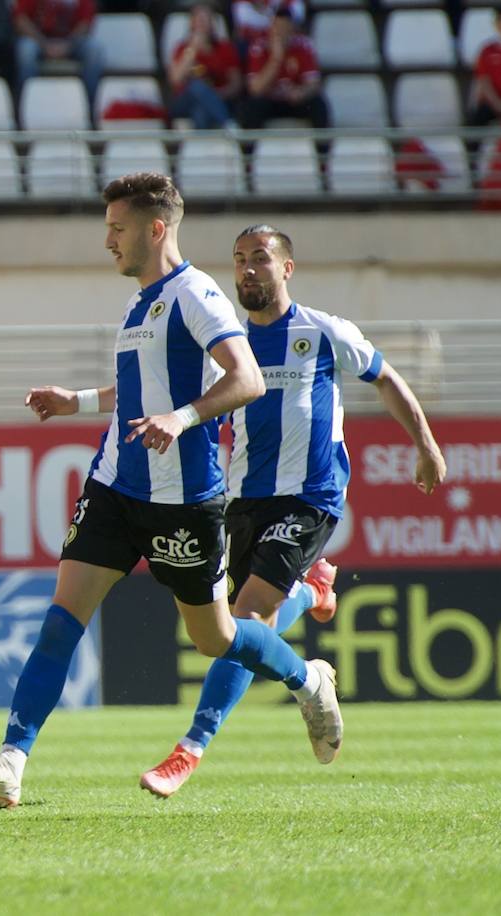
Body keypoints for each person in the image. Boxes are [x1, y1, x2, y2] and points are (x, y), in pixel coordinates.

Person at [0, 172, 341, 809]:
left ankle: (306, 678)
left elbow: (247, 380)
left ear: (156, 229)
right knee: (60, 622)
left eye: (117, 228)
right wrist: (73, 400)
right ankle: (11, 761)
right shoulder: (141, 302)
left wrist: (182, 420)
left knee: (215, 638)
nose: (108, 241)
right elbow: (138, 391)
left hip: (182, 501)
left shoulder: (196, 294)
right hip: (113, 486)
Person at [143, 225, 448, 797]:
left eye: (260, 258)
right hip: (242, 501)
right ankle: (312, 595)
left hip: (311, 495)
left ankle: (189, 750)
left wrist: (426, 445)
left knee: (249, 618)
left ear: (287, 268)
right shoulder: (225, 346)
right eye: (238, 260)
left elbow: (385, 378)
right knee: (239, 629)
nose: (247, 270)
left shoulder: (323, 331)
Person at [238, 8, 328, 131]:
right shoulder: (258, 47)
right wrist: (276, 59)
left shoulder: (303, 45)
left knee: (318, 104)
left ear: (292, 29)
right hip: (270, 100)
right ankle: (248, 149)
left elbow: (313, 83)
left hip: (294, 101)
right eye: (277, 27)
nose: (280, 32)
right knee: (252, 106)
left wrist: (302, 92)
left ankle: (323, 148)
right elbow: (255, 89)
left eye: (285, 28)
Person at [166, 2, 241, 130]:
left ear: (213, 23)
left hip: (219, 98)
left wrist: (218, 94)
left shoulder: (224, 48)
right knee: (197, 85)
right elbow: (175, 79)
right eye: (198, 19)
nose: (202, 24)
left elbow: (236, 83)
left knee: (201, 111)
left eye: (206, 19)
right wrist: (193, 50)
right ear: (191, 23)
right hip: (185, 100)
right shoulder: (182, 48)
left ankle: (199, 148)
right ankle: (228, 123)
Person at [12, 0, 103, 104]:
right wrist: (44, 44)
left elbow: (86, 23)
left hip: (72, 41)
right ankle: (26, 105)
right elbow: (21, 20)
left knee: (94, 50)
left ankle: (89, 107)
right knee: (25, 49)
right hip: (38, 40)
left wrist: (67, 45)